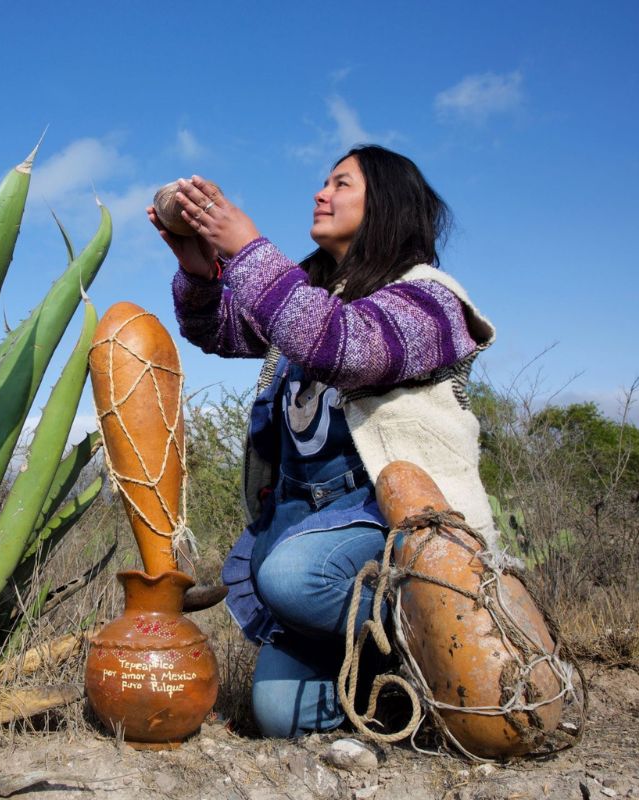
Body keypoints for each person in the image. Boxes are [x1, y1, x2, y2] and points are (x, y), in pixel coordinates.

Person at [146, 145, 500, 738]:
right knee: (282, 717)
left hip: (393, 528)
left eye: (341, 183)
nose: (320, 193)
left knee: (290, 576)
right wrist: (201, 269)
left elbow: (347, 347)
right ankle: (388, 680)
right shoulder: (315, 296)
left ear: (386, 204)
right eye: (324, 182)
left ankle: (454, 626)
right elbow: (217, 330)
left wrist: (248, 249)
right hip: (308, 529)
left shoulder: (430, 299)